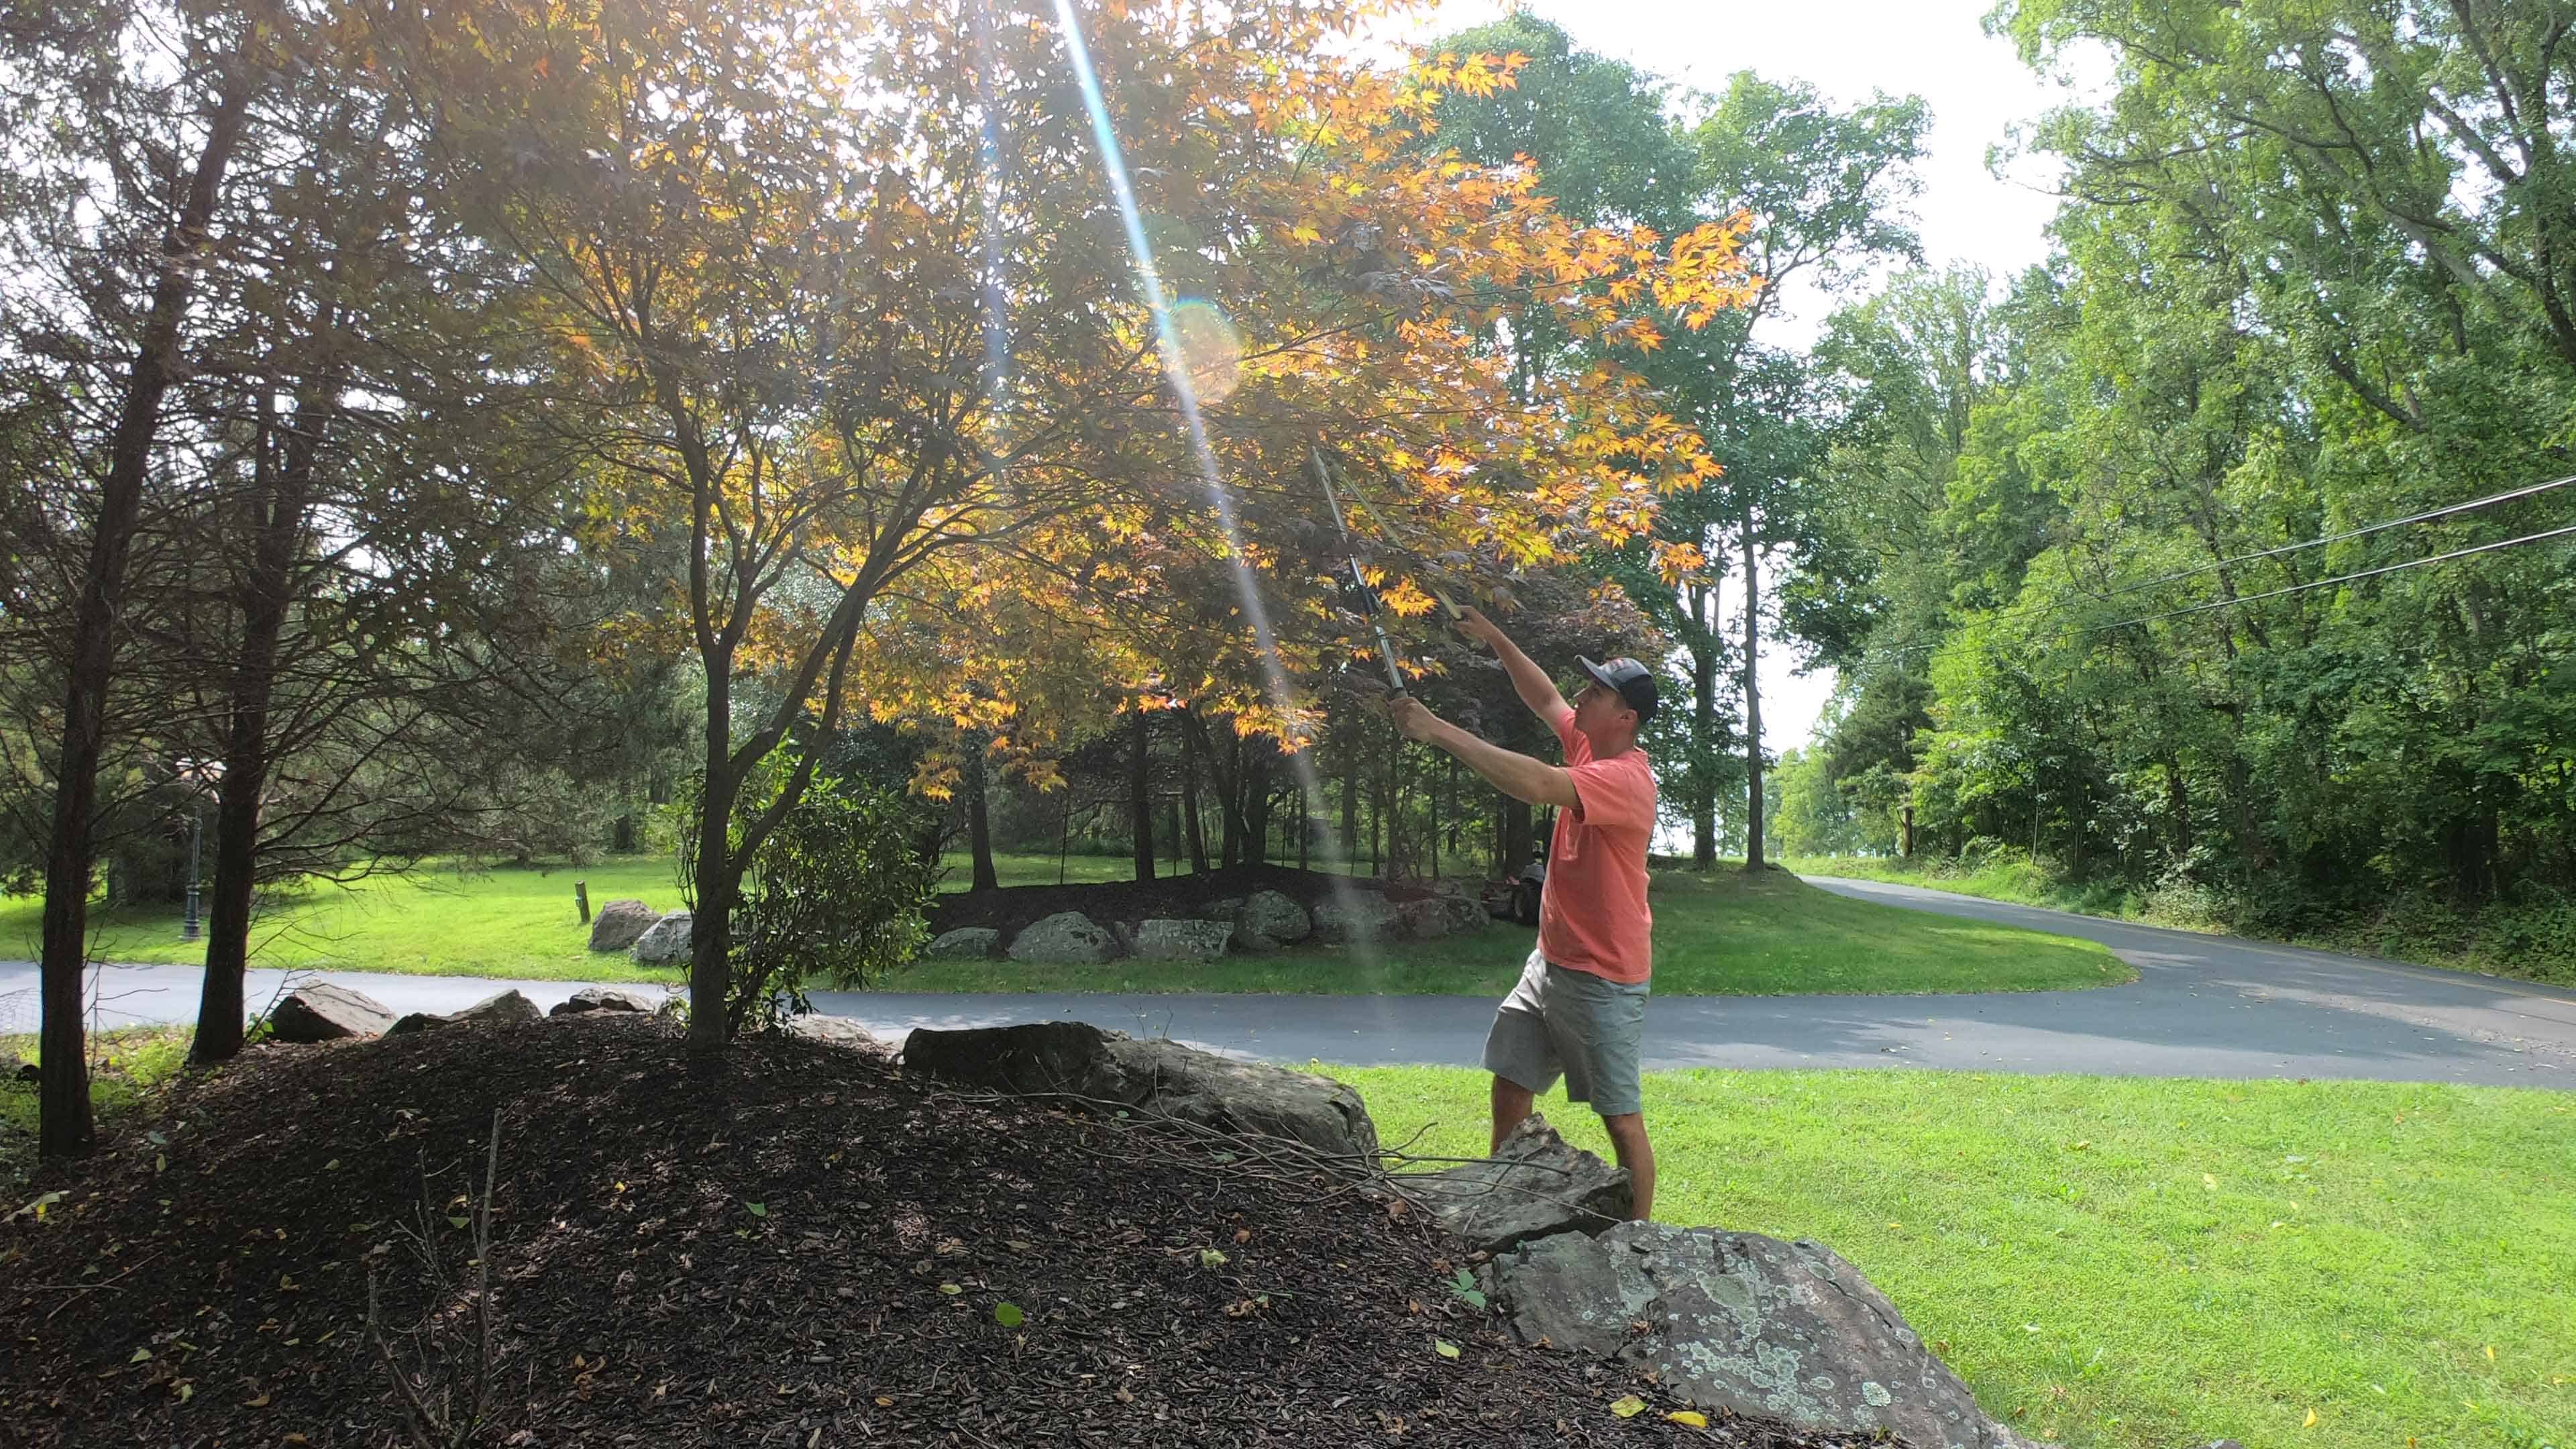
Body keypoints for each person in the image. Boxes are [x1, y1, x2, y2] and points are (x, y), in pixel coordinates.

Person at [1384, 607, 1660, 1220]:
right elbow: (1545, 697)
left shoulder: (1626, 780)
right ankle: (1500, 1208)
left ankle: (1644, 1244)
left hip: (1602, 979)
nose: (1581, 700)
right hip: (1550, 964)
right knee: (1511, 1086)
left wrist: (1438, 730)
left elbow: (1536, 784)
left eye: (1597, 693)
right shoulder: (1591, 743)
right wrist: (1496, 638)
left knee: (1620, 1120)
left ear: (1627, 718)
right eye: (1587, 688)